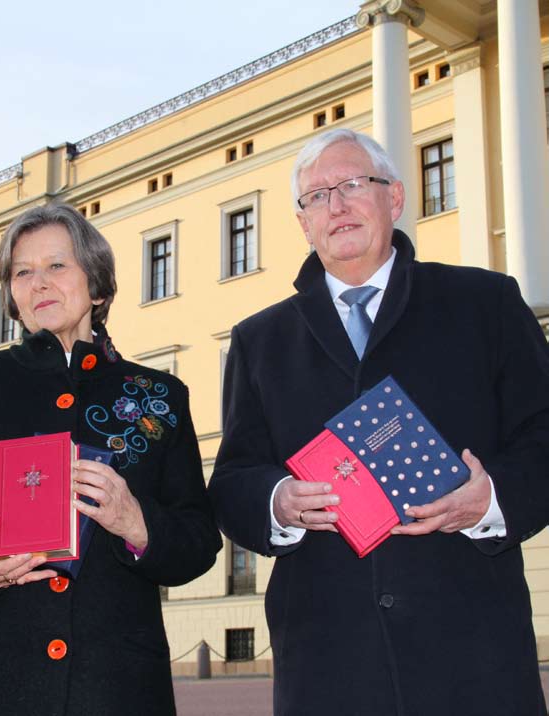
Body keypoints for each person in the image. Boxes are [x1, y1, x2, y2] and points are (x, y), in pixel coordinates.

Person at [209, 128, 549, 716]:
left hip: (473, 657)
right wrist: (278, 503)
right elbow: (234, 477)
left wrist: (489, 498)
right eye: (316, 197)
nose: (335, 205)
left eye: (350, 185)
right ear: (304, 225)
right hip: (328, 664)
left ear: (394, 198)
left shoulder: (485, 302)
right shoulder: (258, 341)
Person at [0, 203, 221, 716]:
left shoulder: (160, 396)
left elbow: (198, 540)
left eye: (57, 266)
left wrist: (137, 522)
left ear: (98, 286)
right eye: (22, 271)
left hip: (114, 686)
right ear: (11, 297)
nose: (38, 283)